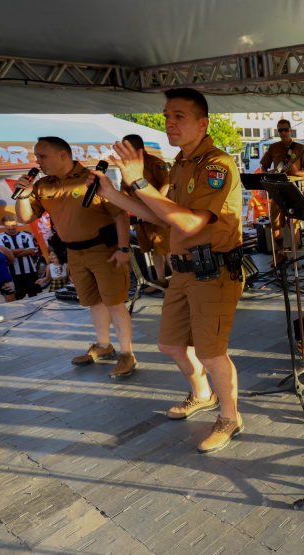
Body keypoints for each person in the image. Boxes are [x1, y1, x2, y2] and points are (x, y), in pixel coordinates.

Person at [87, 87, 246, 454]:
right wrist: (115, 195)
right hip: (185, 270)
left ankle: (229, 415)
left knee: (210, 353)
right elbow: (164, 216)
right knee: (170, 344)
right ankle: (202, 394)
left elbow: (190, 224)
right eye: (166, 116)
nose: (169, 123)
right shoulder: (181, 163)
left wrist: (140, 182)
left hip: (214, 271)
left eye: (179, 116)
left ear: (202, 123)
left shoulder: (217, 164)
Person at [13, 136, 136, 378]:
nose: (37, 161)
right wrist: (24, 194)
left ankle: (127, 354)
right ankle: (103, 345)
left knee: (114, 302)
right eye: (36, 156)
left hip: (105, 250)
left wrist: (123, 249)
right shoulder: (43, 185)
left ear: (63, 155)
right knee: (93, 301)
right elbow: (25, 219)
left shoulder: (92, 178)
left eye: (42, 156)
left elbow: (120, 214)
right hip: (74, 252)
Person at [122, 134, 172, 293]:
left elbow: (167, 184)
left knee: (167, 247)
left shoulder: (154, 163)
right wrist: (124, 198)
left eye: (126, 147)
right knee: (153, 249)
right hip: (140, 215)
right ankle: (161, 280)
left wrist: (156, 204)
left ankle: (179, 281)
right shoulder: (128, 166)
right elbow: (125, 187)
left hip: (158, 213)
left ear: (136, 148)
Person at [260, 119, 304, 252]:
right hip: (277, 190)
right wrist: (269, 173)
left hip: (295, 190)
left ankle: (294, 257)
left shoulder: (300, 148)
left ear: (291, 131)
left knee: (294, 225)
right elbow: (263, 167)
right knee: (275, 224)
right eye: (280, 130)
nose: (283, 133)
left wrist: (297, 172)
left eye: (285, 130)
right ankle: (281, 252)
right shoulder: (273, 148)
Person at [0, 213, 41, 300]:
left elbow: (31, 250)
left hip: (29, 270)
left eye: (12, 225)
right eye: (7, 225)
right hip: (12, 273)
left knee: (33, 294)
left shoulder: (25, 235)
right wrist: (22, 249)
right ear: (3, 225)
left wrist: (10, 253)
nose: (10, 227)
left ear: (17, 223)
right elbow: (3, 252)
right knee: (18, 297)